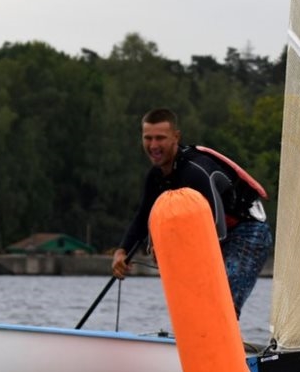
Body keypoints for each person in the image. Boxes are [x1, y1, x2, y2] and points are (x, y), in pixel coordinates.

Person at [111, 108, 272, 317]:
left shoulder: (195, 171)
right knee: (197, 306)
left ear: (176, 137)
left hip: (247, 232)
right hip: (212, 236)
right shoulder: (155, 177)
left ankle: (221, 328)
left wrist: (169, 247)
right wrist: (122, 251)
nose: (153, 145)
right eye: (148, 138)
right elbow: (143, 218)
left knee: (222, 304)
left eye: (160, 138)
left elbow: (217, 228)